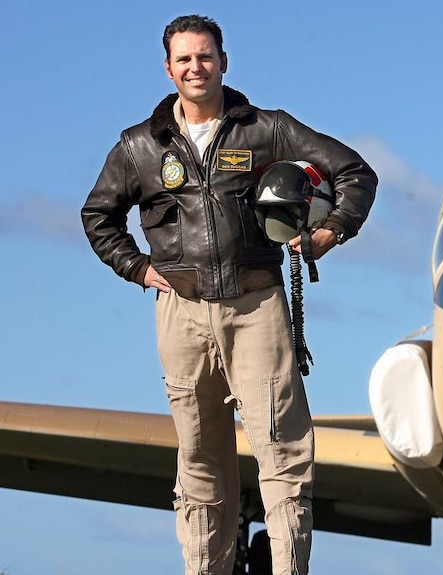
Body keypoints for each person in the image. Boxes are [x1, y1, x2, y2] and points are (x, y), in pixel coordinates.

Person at [81, 14, 377, 575]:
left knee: (283, 453)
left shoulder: (268, 129)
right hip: (181, 312)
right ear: (168, 69)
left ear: (224, 61)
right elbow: (98, 216)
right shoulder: (139, 146)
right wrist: (138, 269)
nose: (197, 67)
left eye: (206, 56)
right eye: (185, 59)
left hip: (258, 306)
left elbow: (355, 174)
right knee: (198, 458)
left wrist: (326, 234)